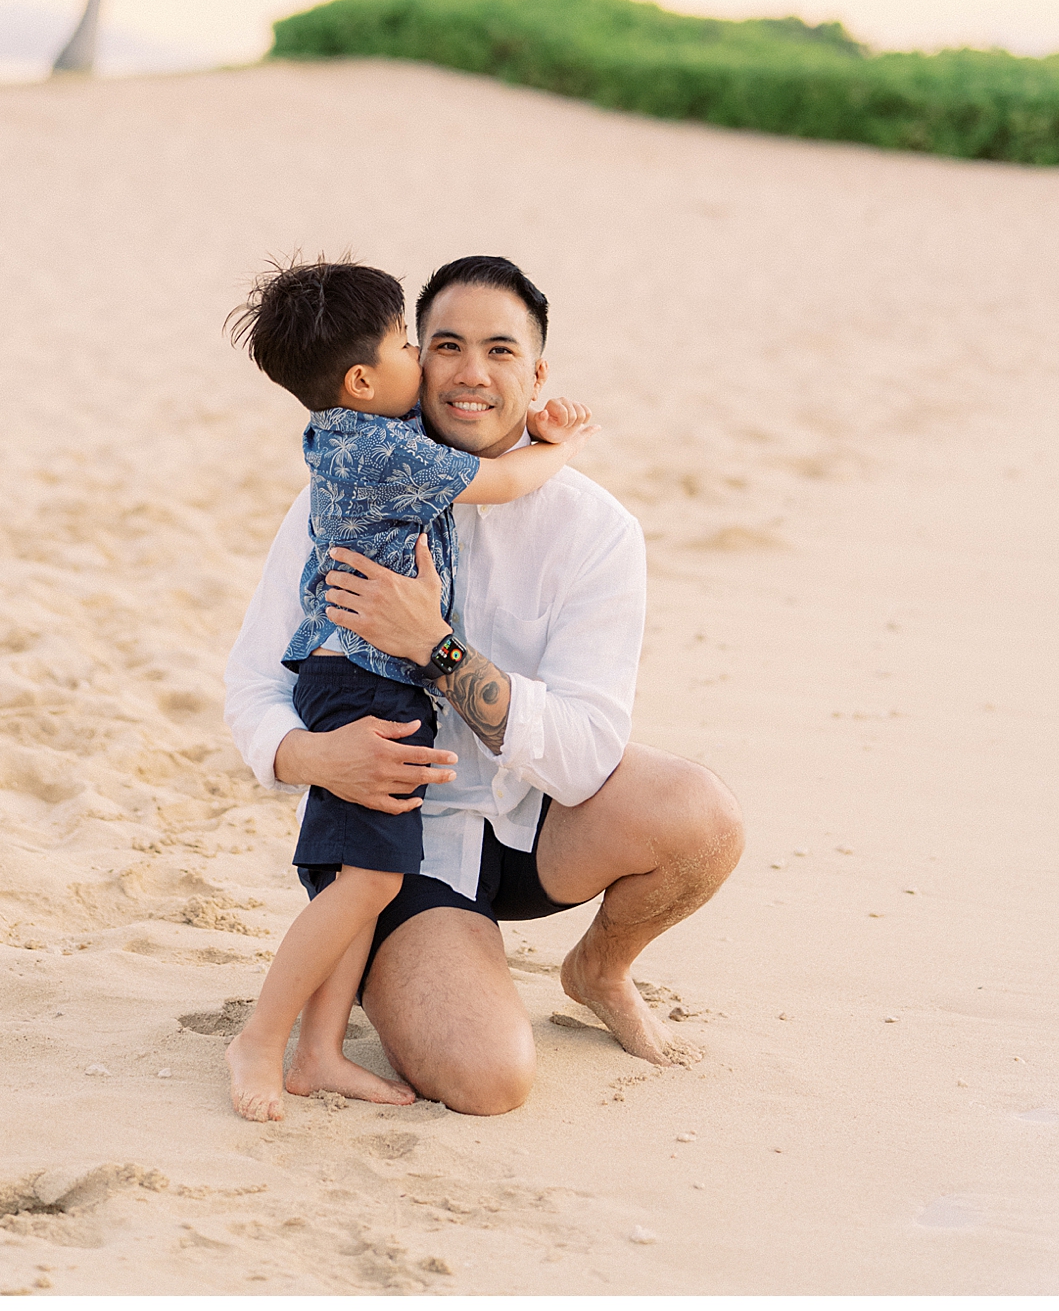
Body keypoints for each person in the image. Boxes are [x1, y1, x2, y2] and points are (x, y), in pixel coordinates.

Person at [223, 254, 746, 1116]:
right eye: (445, 345)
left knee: (704, 819)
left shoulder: (596, 531)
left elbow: (584, 758)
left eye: (501, 351)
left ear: (537, 375)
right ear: (411, 360)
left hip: (533, 816)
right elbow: (250, 686)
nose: (471, 373)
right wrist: (314, 756)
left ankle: (598, 970)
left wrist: (438, 650)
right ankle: (396, 965)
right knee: (491, 1080)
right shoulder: (347, 496)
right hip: (404, 839)